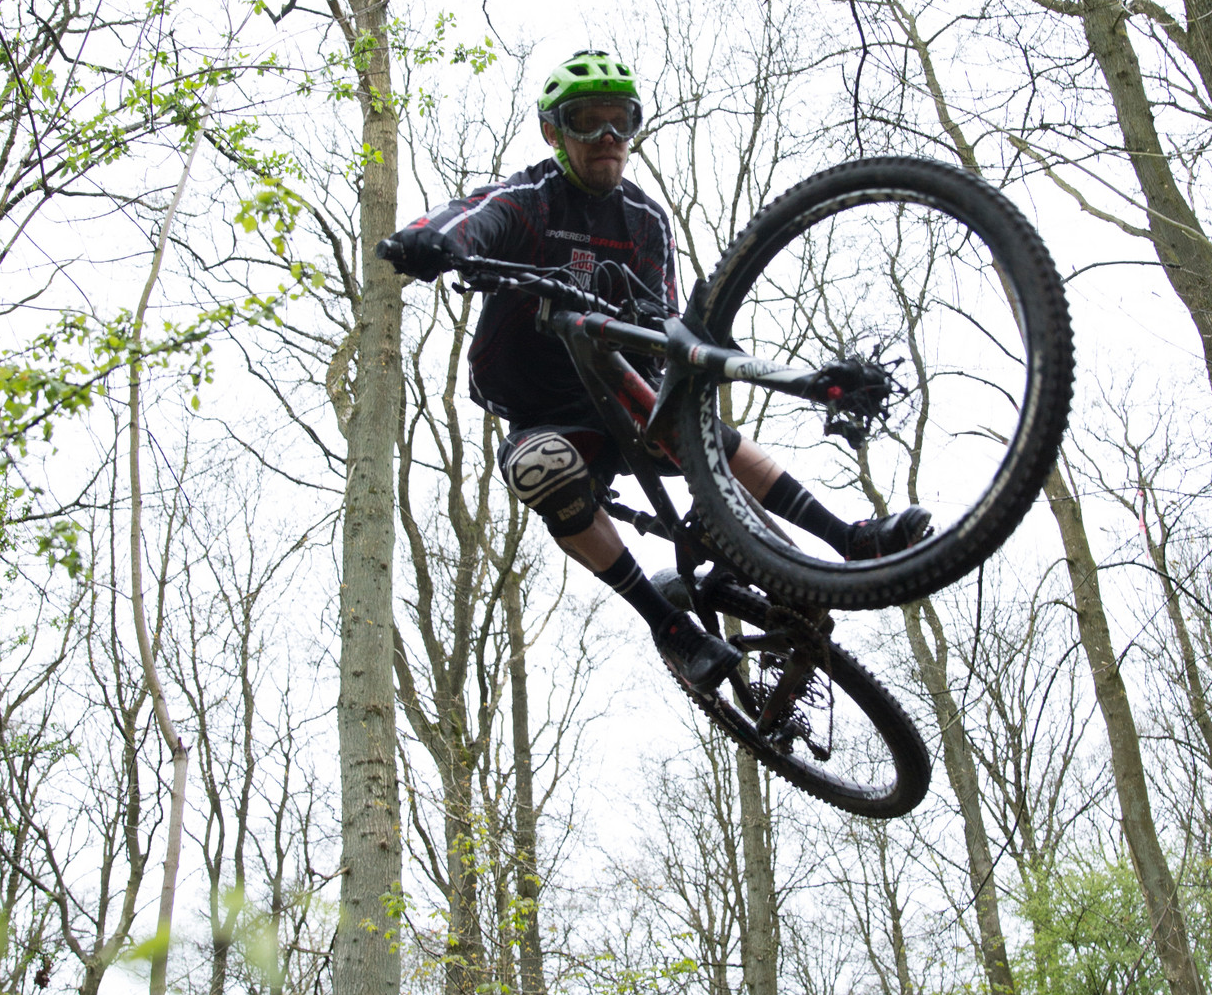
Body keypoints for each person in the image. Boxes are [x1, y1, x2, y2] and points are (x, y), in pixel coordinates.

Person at [379, 49, 929, 694]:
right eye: (587, 122)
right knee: (540, 468)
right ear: (554, 133)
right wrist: (432, 239)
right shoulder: (532, 198)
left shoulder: (644, 219)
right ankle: (667, 623)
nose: (608, 139)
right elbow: (474, 215)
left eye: (622, 122)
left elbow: (662, 317)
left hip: (622, 388)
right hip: (544, 410)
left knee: (695, 429)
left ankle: (849, 538)